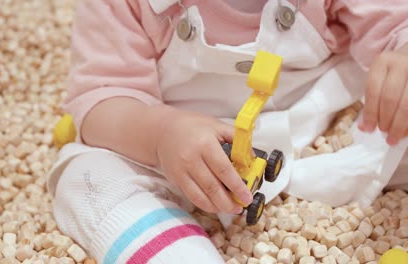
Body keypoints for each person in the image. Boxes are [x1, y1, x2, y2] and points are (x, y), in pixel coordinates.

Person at [46, 1, 408, 263]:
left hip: (329, 130)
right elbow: (102, 98)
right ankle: (179, 253)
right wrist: (160, 135)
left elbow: (397, 26)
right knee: (86, 178)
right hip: (182, 151)